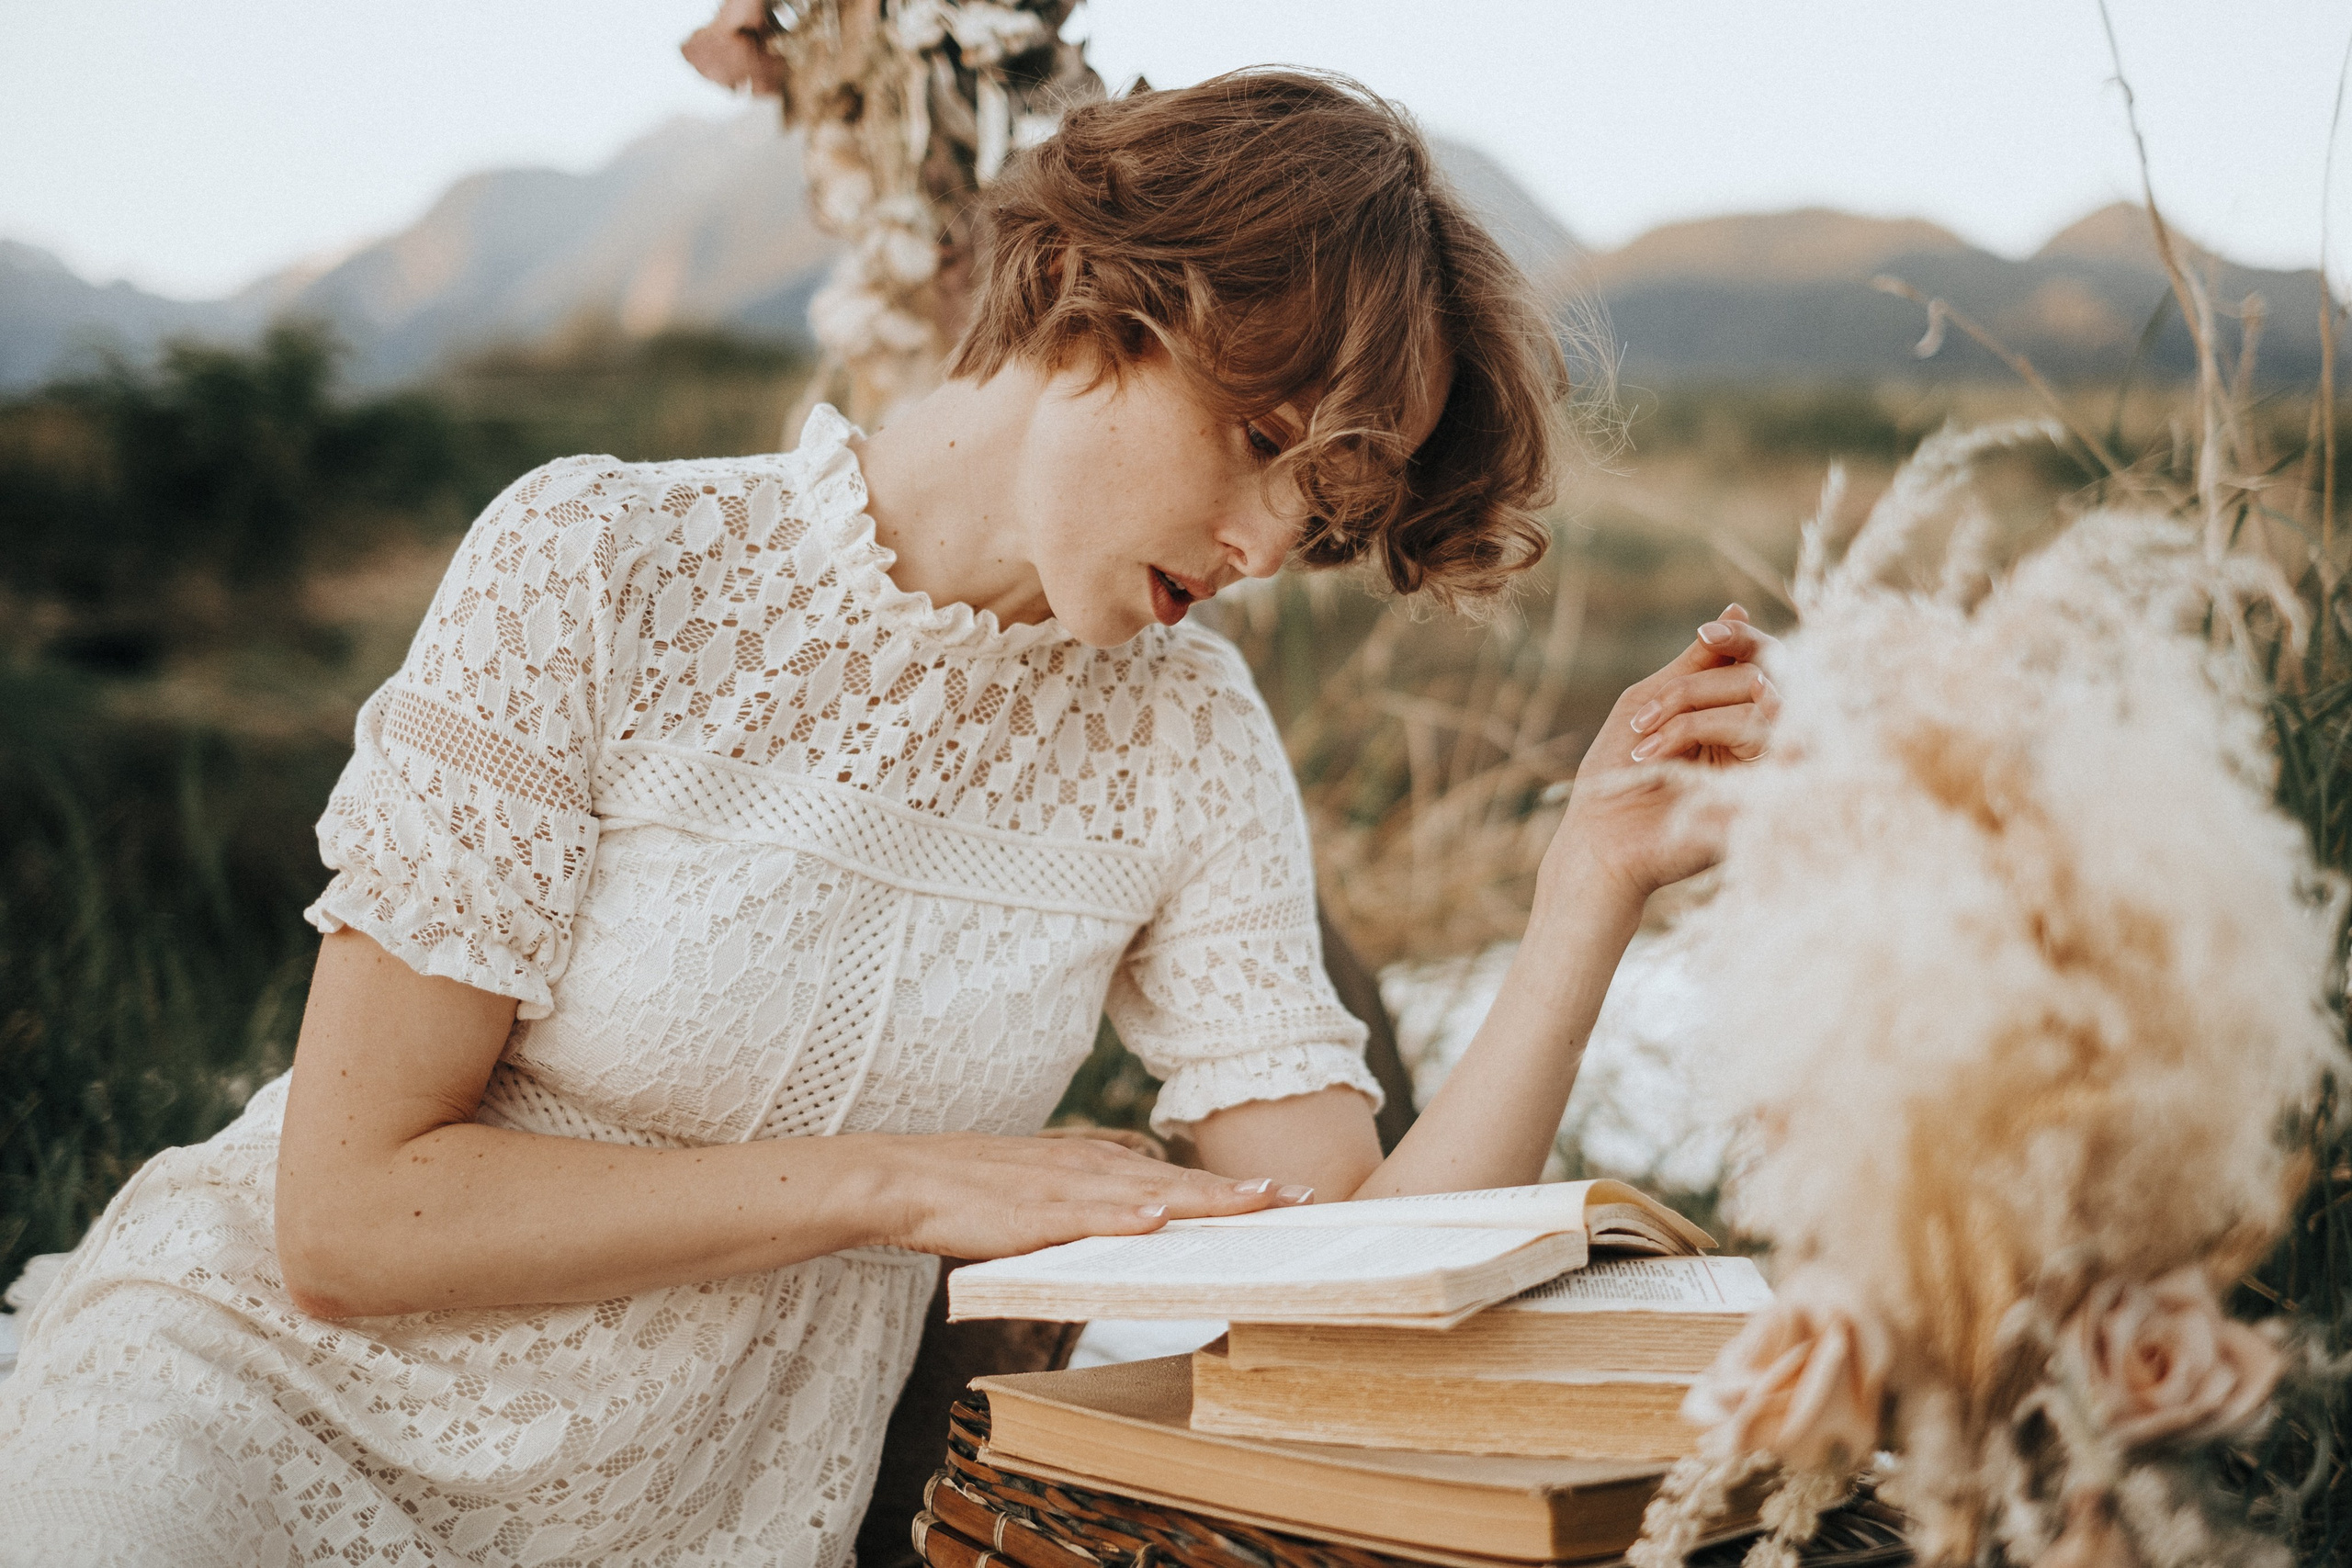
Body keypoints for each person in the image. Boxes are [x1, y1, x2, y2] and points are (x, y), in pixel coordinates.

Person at [0, 70, 1777, 1567]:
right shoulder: (604, 563)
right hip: (231, 1425)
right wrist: (901, 1187)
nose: (1262, 551)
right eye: (1261, 447)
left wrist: (1585, 894)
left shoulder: (1185, 735)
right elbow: (347, 1221)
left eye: (1322, 519)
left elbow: (1353, 1269)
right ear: (1099, 303)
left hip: (696, 1527)